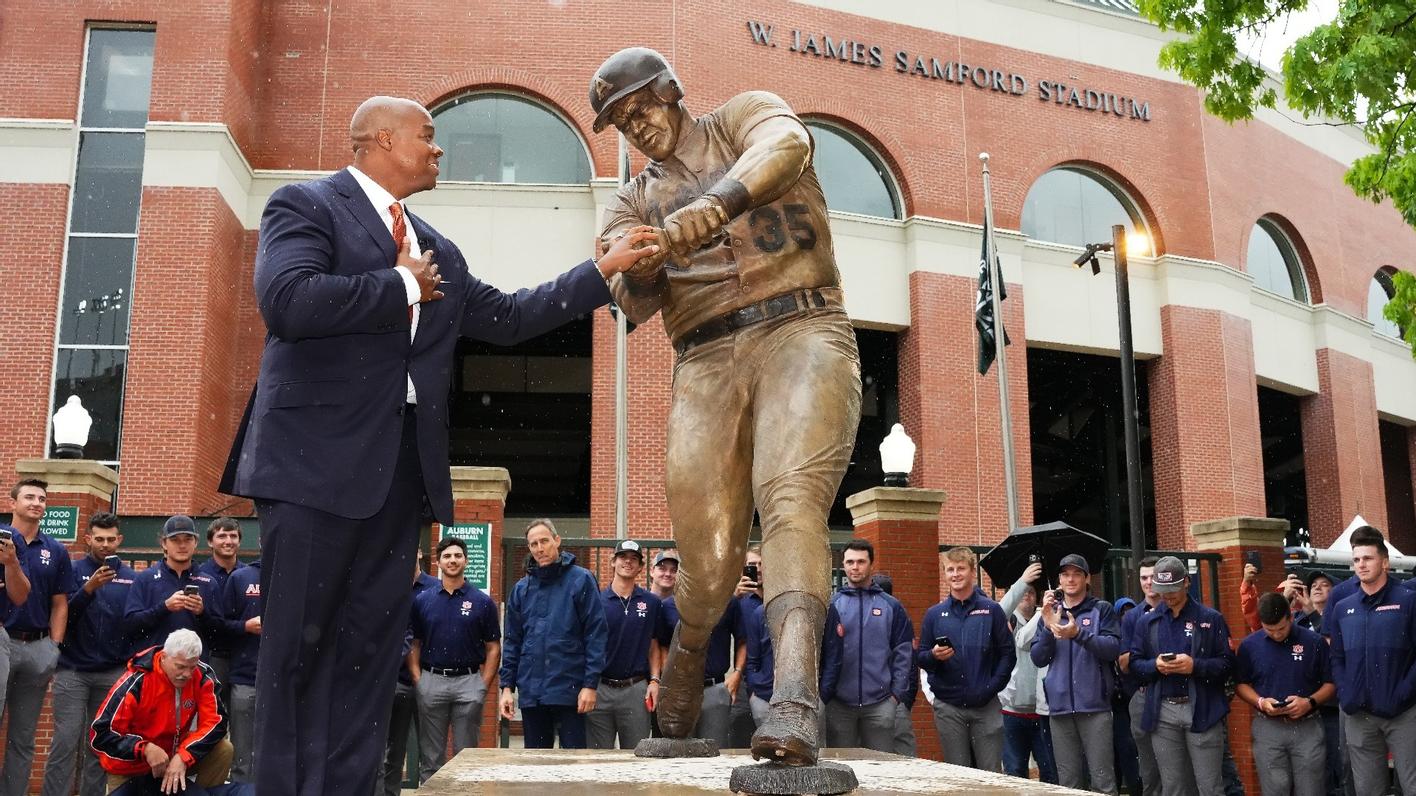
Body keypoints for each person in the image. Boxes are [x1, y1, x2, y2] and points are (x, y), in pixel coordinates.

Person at [216, 94, 658, 796]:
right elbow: (288, 301)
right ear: (380, 140)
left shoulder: (436, 248)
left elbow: (508, 317)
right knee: (298, 648)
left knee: (369, 655)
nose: (438, 148)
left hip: (400, 472)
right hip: (310, 465)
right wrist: (400, 284)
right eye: (427, 135)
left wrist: (600, 270)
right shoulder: (306, 205)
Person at [591, 46, 862, 766]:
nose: (635, 126)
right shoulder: (632, 201)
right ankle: (688, 654)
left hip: (802, 323)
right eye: (620, 121)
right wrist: (642, 264)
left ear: (671, 91)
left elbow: (789, 143)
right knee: (708, 567)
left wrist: (714, 206)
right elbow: (628, 298)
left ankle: (795, 701)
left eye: (640, 107)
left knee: (791, 499)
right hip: (704, 357)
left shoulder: (741, 117)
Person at [42, 512, 135, 796]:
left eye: (111, 539)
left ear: (119, 540)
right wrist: (88, 589)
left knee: (98, 745)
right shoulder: (70, 570)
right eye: (99, 539)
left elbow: (135, 623)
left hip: (112, 672)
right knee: (65, 742)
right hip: (72, 670)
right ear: (88, 539)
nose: (105, 545)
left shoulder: (132, 578)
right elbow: (62, 617)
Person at [90, 629, 248, 796]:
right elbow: (100, 735)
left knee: (223, 749)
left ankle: (202, 793)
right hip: (131, 765)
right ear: (164, 657)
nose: (187, 674)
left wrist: (184, 755)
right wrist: (144, 749)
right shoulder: (136, 681)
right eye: (180, 667)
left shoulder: (202, 675)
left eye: (192, 667)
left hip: (174, 757)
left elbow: (216, 722)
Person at [1128, 556, 1234, 796]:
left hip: (1202, 707)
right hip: (1163, 710)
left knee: (1209, 786)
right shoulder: (1148, 621)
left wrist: (1195, 666)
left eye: (1173, 589)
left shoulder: (1210, 618)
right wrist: (1155, 666)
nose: (1167, 596)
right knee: (1174, 787)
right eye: (1162, 590)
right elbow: (1134, 664)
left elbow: (1227, 664)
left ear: (1186, 582)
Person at [498, 519, 608, 749]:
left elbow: (595, 634)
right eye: (534, 544)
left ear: (557, 541)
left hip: (571, 691)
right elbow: (512, 642)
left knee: (573, 763)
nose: (540, 548)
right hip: (532, 692)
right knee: (536, 764)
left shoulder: (581, 580)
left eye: (544, 541)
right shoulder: (521, 589)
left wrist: (590, 685)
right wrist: (506, 688)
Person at [1327, 525, 1416, 796]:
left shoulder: (1409, 601)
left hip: (1404, 713)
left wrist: (1403, 693)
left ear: (1385, 562)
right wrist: (1346, 693)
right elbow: (1336, 657)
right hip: (1360, 715)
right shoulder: (1343, 607)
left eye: (1368, 558)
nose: (1361, 565)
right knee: (1368, 790)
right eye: (1356, 559)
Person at [410, 536, 500, 782]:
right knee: (431, 759)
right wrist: (419, 680)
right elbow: (414, 643)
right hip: (432, 681)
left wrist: (482, 685)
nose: (452, 560)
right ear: (438, 562)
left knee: (466, 758)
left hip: (468, 683)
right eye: (447, 556)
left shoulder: (482, 602)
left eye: (458, 555)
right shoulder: (423, 600)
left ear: (466, 561)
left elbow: (493, 647)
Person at [917, 546, 1015, 772]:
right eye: (950, 569)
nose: (955, 574)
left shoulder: (992, 610)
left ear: (972, 572)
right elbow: (921, 657)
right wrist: (933, 655)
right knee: (958, 774)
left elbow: (1008, 655)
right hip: (949, 707)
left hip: (986, 705)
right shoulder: (934, 614)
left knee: (990, 774)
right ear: (944, 573)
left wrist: (991, 687)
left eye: (961, 568)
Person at [3, 478, 73, 796]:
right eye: (29, 497)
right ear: (13, 502)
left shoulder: (55, 550)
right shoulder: (2, 539)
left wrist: (53, 646)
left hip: (37, 647)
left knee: (23, 737)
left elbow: (60, 603)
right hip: (3, 640)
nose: (36, 503)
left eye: (42, 499)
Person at [1031, 553, 1120, 794]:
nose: (1070, 579)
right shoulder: (1050, 612)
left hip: (1095, 707)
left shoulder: (1101, 609)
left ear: (1087, 578)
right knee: (1068, 784)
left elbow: (1112, 649)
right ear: (1059, 580)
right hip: (1059, 708)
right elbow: (1038, 658)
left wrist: (1078, 634)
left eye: (1076, 574)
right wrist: (1048, 627)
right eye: (1065, 575)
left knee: (1102, 781)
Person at [1235, 591, 1334, 796]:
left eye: (1281, 628)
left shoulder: (1314, 642)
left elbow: (1331, 683)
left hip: (1307, 725)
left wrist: (1309, 702)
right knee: (1274, 789)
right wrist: (1261, 702)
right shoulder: (1249, 646)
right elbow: (1241, 684)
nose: (1277, 634)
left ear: (1290, 617)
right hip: (1268, 726)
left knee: (1311, 790)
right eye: (1269, 630)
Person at [825, 539, 911, 754]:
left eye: (861, 561)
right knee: (841, 764)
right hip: (839, 704)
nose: (855, 567)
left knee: (880, 765)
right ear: (843, 565)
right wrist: (826, 693)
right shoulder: (832, 605)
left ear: (871, 564)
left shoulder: (891, 605)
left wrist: (895, 695)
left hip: (881, 703)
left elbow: (903, 652)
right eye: (850, 562)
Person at [587, 540, 664, 749]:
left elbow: (654, 644)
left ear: (641, 567)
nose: (628, 562)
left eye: (634, 559)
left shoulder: (651, 603)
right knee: (598, 757)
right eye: (623, 557)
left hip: (635, 688)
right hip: (601, 688)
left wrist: (654, 680)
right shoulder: (597, 601)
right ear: (613, 561)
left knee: (636, 756)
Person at [657, 561, 741, 748]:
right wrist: (666, 678)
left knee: (715, 748)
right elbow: (662, 646)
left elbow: (742, 640)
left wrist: (737, 672)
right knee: (679, 748)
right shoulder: (668, 606)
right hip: (680, 690)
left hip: (714, 687)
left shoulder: (728, 603)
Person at [740, 593, 841, 742]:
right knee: (766, 751)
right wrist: (754, 693)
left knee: (811, 751)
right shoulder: (761, 612)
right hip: (765, 699)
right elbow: (752, 660)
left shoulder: (823, 608)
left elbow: (833, 656)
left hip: (808, 702)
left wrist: (823, 696)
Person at [377, 559, 440, 796]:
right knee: (394, 750)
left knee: (431, 752)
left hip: (431, 680)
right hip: (397, 681)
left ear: (419, 553)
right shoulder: (388, 587)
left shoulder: (435, 588)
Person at [123, 516, 220, 655]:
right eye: (175, 540)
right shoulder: (145, 579)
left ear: (196, 542)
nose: (182, 545)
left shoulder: (209, 583)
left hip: (194, 664)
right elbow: (130, 626)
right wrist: (164, 607)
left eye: (188, 539)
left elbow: (218, 636)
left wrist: (201, 613)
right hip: (154, 663)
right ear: (164, 543)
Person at [999, 561, 1057, 783]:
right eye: (1023, 591)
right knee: (1015, 772)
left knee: (1050, 772)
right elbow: (1020, 639)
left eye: (1031, 592)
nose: (1027, 595)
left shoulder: (1049, 619)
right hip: (1012, 712)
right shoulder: (1006, 620)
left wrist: (1045, 612)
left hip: (1041, 711)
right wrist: (1023, 583)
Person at [1118, 557, 1161, 796]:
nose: (1148, 582)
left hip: (1174, 693)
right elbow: (1124, 664)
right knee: (1149, 768)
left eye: (1153, 576)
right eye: (1144, 577)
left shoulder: (1175, 610)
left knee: (1177, 768)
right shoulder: (1132, 617)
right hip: (1142, 694)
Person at [217, 559, 261, 783]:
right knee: (242, 755)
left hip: (285, 680)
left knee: (279, 752)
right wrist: (245, 626)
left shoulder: (296, 575)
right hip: (245, 677)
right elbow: (221, 625)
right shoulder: (241, 577)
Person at [196, 517, 244, 704]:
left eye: (233, 536)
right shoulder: (200, 576)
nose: (228, 541)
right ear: (210, 541)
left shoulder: (249, 574)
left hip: (242, 655)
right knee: (212, 707)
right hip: (212, 654)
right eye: (222, 536)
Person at [871, 572, 919, 758]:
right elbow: (911, 663)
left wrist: (904, 699)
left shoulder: (896, 618)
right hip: (893, 699)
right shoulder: (900, 616)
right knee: (903, 757)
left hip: (890, 698)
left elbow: (909, 661)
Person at [728, 546, 765, 748]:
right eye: (752, 565)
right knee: (739, 731)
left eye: (761, 564)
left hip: (771, 678)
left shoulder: (778, 599)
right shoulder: (739, 601)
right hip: (743, 678)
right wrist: (734, 597)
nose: (757, 569)